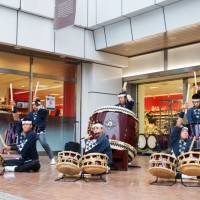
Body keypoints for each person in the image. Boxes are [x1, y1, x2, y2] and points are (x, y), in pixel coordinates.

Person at [11, 99, 56, 165]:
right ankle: (25, 157)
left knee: (44, 144)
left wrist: (38, 105)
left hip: (40, 132)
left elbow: (44, 111)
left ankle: (52, 158)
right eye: (33, 105)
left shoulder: (43, 111)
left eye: (35, 104)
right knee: (27, 144)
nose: (34, 106)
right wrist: (14, 108)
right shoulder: (31, 114)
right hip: (32, 132)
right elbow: (26, 120)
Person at [169, 103, 197, 179]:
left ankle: (183, 175)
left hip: (185, 168)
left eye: (187, 132)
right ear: (179, 133)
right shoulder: (174, 140)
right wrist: (182, 112)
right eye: (183, 131)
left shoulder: (189, 142)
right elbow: (178, 125)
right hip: (174, 167)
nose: (185, 132)